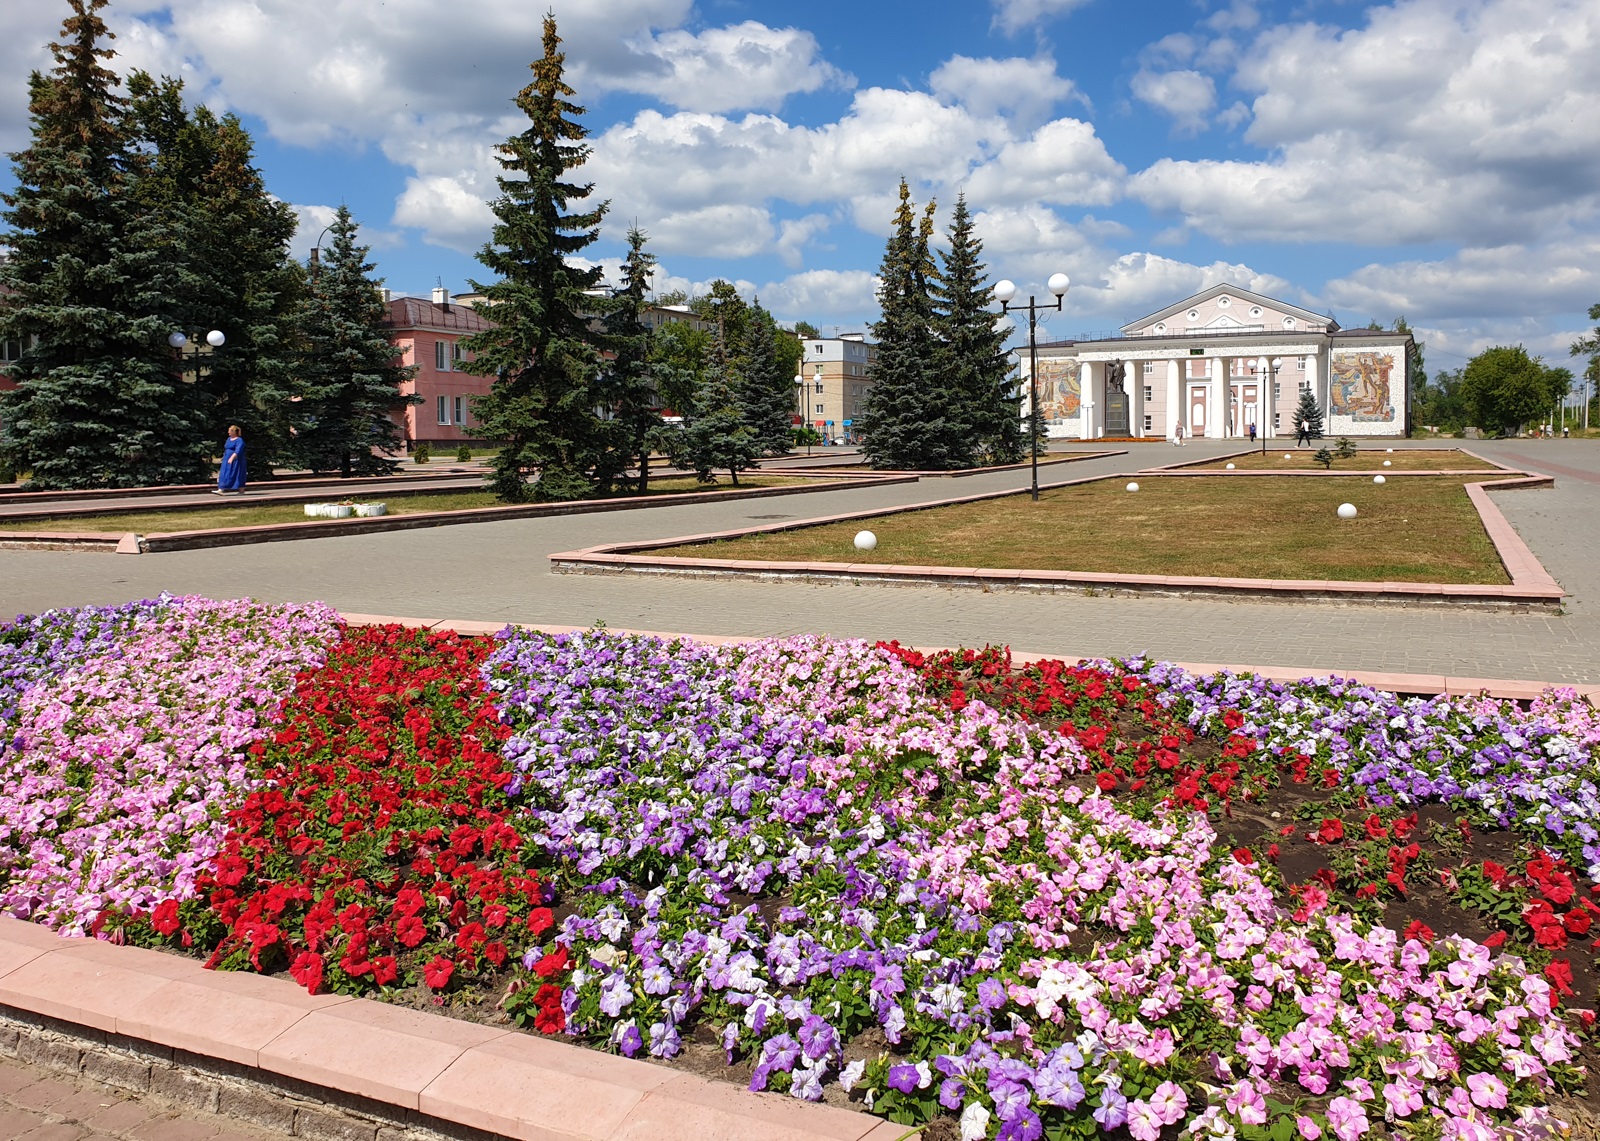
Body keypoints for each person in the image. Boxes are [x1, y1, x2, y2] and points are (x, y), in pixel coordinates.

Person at [216, 425, 247, 494]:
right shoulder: (228, 439)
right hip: (226, 458)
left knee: (238, 473)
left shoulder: (239, 440)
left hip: (237, 460)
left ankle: (241, 491)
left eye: (230, 431)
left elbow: (238, 450)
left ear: (234, 432)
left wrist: (232, 458)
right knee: (224, 473)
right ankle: (221, 489)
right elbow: (227, 448)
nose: (228, 432)